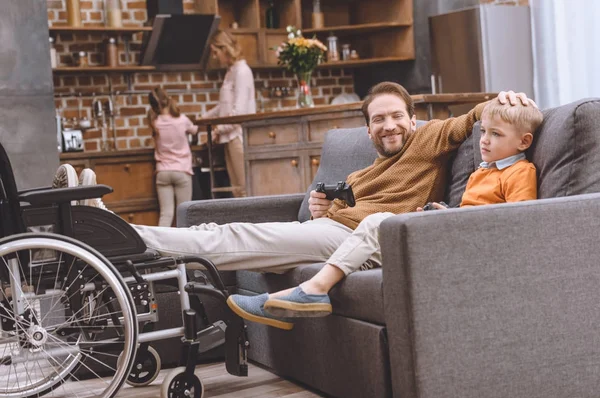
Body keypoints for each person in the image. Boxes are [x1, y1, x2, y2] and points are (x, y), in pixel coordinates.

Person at [54, 83, 535, 331]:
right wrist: (319, 205)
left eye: (395, 117)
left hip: (358, 237)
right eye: (378, 120)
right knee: (235, 234)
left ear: (412, 118)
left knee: (233, 237)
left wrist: (500, 98)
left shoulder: (430, 137)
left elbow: (472, 121)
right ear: (367, 129)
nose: (388, 126)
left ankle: (109, 231)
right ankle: (109, 228)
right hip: (336, 235)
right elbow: (327, 215)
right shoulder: (361, 173)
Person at [251, 97, 543, 326]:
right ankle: (289, 299)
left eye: (495, 134)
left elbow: (516, 221)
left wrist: (456, 219)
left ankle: (314, 289)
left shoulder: (519, 172)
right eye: (484, 132)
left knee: (379, 221)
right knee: (378, 225)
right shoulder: (483, 171)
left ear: (524, 142)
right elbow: (471, 208)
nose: (484, 140)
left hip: (471, 240)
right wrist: (446, 211)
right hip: (455, 228)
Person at [200, 30, 256, 198]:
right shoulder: (231, 71)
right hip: (229, 137)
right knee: (236, 189)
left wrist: (217, 130)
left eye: (216, 52)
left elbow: (239, 112)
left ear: (225, 49)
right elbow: (223, 106)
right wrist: (202, 120)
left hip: (238, 137)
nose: (215, 57)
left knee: (245, 188)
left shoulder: (242, 71)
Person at [148, 87, 199, 227]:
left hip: (163, 172)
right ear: (168, 99)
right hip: (182, 171)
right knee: (184, 214)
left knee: (166, 214)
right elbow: (195, 130)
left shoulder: (155, 122)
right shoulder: (182, 120)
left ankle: (159, 246)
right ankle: (183, 246)